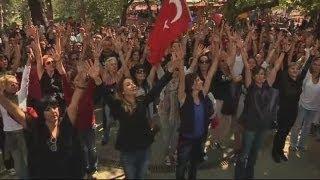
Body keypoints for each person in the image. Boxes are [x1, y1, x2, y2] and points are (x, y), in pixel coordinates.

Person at [92, 51, 178, 179]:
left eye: (132, 83)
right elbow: (105, 93)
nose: (132, 85)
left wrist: (170, 70)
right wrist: (96, 78)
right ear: (122, 91)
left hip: (144, 149)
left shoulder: (143, 100)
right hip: (127, 152)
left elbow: (158, 87)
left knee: (141, 176)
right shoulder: (117, 105)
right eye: (128, 84)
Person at [0, 63, 89, 178]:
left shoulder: (66, 124)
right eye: (48, 109)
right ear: (42, 113)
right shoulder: (36, 127)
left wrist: (80, 87)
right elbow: (14, 111)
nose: (53, 111)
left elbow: (73, 105)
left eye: (55, 107)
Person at [234, 37, 285, 179]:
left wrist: (282, 53)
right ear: (254, 76)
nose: (261, 76)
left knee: (254, 153)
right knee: (245, 152)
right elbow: (245, 62)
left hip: (263, 127)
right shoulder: (250, 86)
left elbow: (275, 67)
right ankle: (239, 175)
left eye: (263, 74)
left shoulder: (268, 85)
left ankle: (249, 173)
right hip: (250, 126)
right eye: (259, 74)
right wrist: (242, 48)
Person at [176, 41, 218, 179]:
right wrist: (181, 59)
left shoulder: (203, 94)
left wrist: (216, 51)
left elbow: (211, 74)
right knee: (181, 166)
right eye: (198, 80)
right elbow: (182, 78)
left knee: (194, 165)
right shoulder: (183, 98)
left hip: (199, 139)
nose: (201, 81)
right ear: (192, 84)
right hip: (186, 140)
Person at [271, 41, 314, 162]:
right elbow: (284, 65)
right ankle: (275, 152)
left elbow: (305, 69)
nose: (295, 70)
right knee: (280, 132)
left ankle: (280, 151)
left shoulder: (299, 80)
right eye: (292, 68)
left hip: (293, 111)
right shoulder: (284, 79)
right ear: (288, 71)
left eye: (296, 68)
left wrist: (311, 56)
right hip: (283, 111)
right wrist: (284, 52)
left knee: (285, 133)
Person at [0, 59, 31, 178]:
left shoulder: (21, 95)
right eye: (11, 83)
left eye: (16, 83)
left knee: (29, 160)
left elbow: (25, 80)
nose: (16, 85)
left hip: (24, 133)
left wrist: (28, 63)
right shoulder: (1, 100)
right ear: (4, 86)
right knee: (18, 164)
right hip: (10, 134)